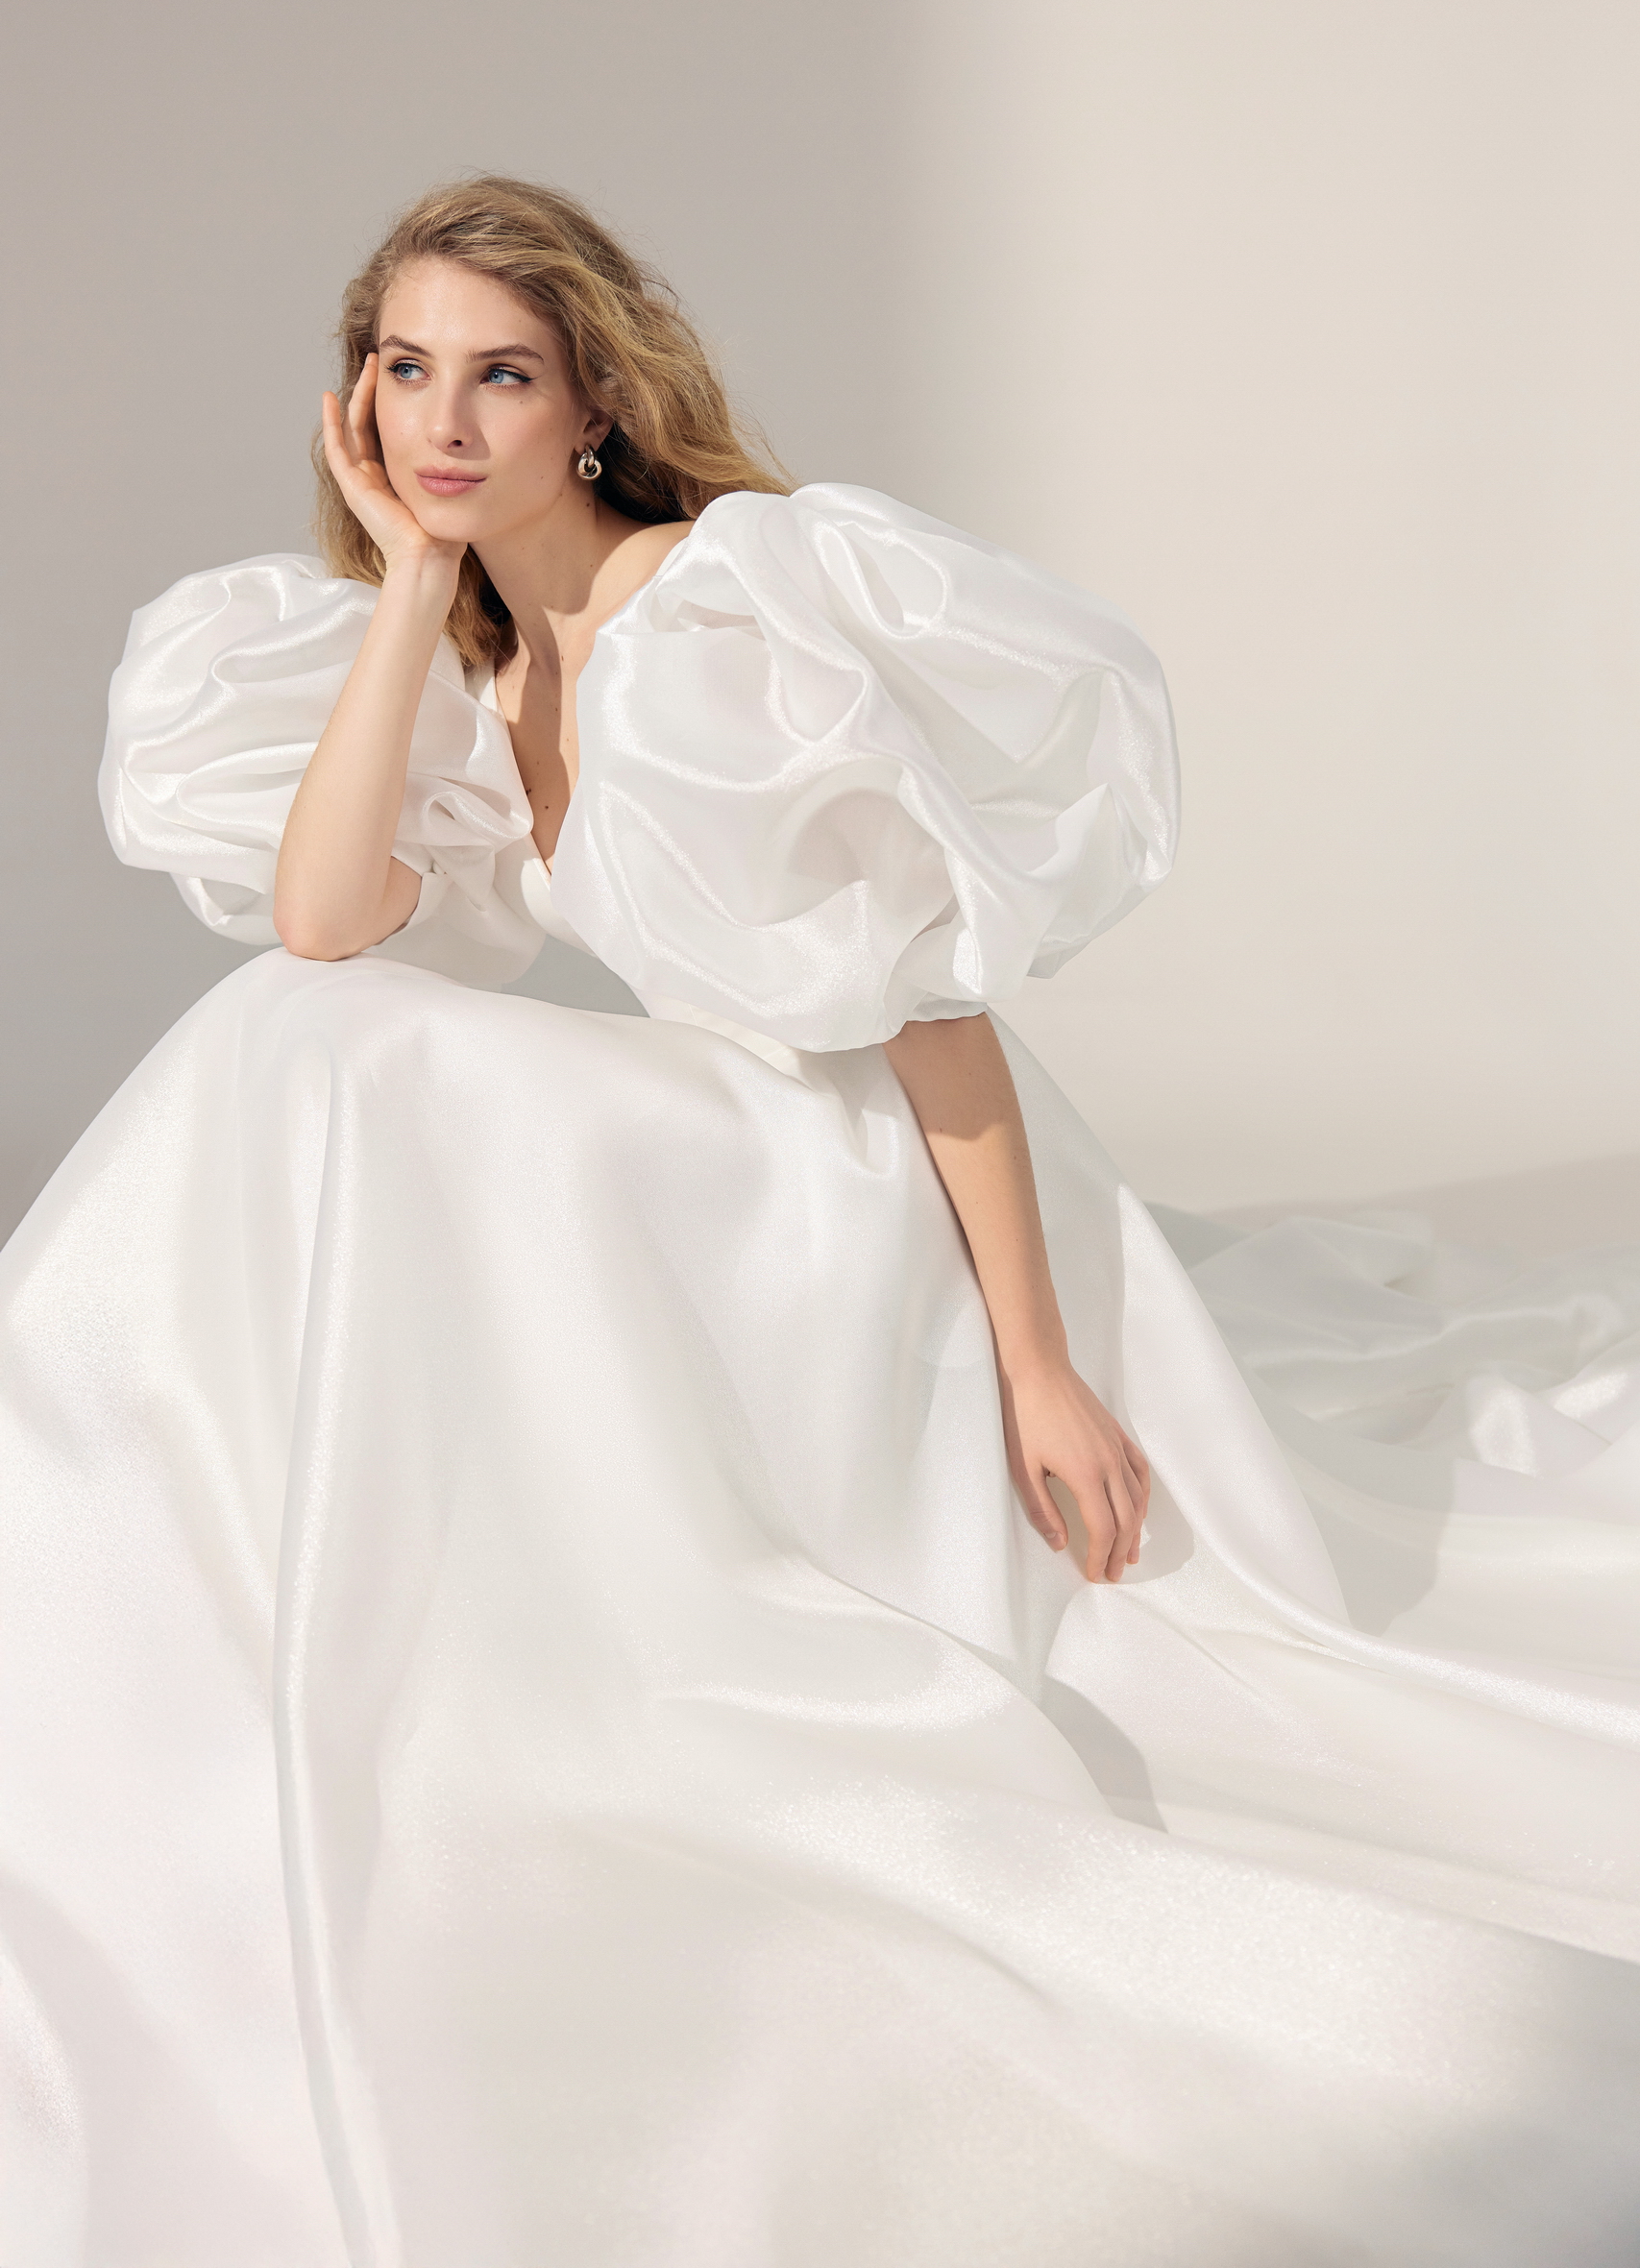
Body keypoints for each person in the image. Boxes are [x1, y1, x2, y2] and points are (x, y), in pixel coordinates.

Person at [3, 178, 1637, 2267]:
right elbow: (321, 923)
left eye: (500, 374)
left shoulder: (715, 615)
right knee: (297, 1039)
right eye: (404, 371)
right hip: (722, 1171)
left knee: (343, 1068)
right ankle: (182, 1581)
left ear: (592, 404)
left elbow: (934, 1019)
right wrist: (411, 580)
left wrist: (1038, 1364)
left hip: (869, 1175)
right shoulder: (461, 650)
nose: (445, 419)